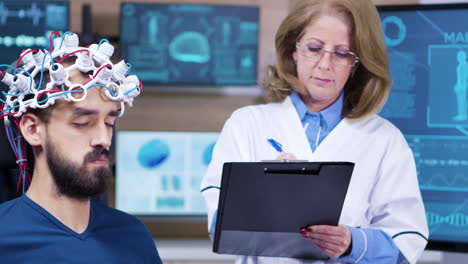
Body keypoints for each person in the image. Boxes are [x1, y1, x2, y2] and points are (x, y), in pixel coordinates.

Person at [201, 0, 428, 263]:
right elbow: (219, 228)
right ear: (293, 50)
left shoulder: (384, 139)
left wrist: (352, 243)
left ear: (357, 64)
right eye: (314, 48)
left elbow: (408, 241)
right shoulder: (247, 124)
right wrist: (261, 193)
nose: (325, 64)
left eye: (342, 53)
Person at [0, 32, 162, 263]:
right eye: (82, 123)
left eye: (109, 123)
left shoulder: (133, 237)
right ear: (33, 130)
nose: (103, 139)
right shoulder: (4, 241)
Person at [453, 50, 468, 121]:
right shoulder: (459, 65)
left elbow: (464, 77)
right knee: (460, 100)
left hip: (463, 85)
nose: (459, 57)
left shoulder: (465, 65)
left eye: (461, 56)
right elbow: (459, 77)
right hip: (460, 86)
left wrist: (462, 85)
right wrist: (457, 85)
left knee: (463, 100)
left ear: (465, 57)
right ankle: (461, 114)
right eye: (458, 56)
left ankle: (464, 115)